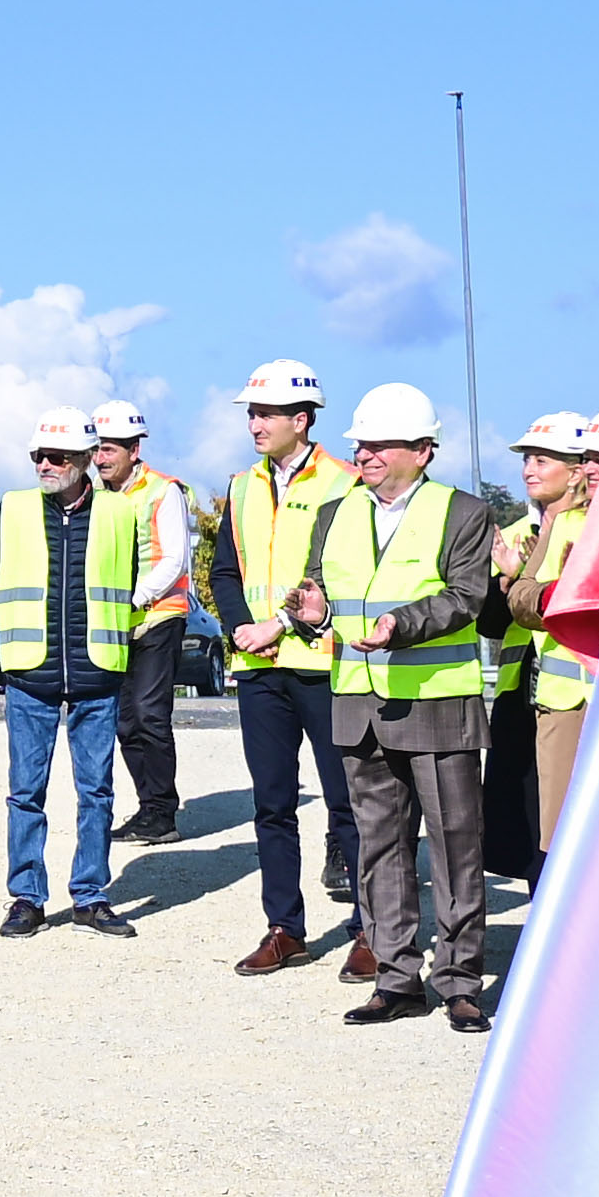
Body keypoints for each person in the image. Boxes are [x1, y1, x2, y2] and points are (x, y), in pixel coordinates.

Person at [310, 381, 516, 1026]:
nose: (365, 454)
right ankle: (396, 979)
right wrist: (309, 614)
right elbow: (323, 594)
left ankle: (458, 980)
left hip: (436, 702)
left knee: (456, 846)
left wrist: (402, 624)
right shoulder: (334, 514)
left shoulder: (464, 513)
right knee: (377, 849)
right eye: (361, 445)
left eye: (379, 444)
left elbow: (467, 596)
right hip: (358, 704)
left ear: (423, 451)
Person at [0, 413, 146, 939]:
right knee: (26, 791)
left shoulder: (120, 513)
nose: (44, 465)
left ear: (86, 459)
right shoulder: (14, 508)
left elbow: (130, 580)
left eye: (56, 457)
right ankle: (26, 897)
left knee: (97, 792)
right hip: (30, 672)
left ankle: (90, 896)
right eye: (38, 457)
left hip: (98, 672)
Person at [215, 361, 358, 973]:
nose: (254, 423)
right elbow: (225, 571)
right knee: (271, 804)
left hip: (324, 665)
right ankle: (284, 928)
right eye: (251, 413)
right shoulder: (242, 485)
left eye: (265, 413)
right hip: (259, 669)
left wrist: (277, 626)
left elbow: (333, 574)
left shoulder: (345, 483)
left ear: (301, 420)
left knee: (347, 801)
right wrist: (242, 629)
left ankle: (371, 928)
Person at [73, 400, 204, 837]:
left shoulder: (162, 491)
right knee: (124, 720)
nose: (100, 459)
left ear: (134, 449)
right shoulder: (97, 498)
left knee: (149, 714)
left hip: (159, 616)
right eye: (97, 450)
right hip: (116, 623)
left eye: (109, 450)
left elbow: (175, 560)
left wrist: (136, 597)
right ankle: (149, 807)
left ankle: (163, 811)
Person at [506, 412, 599, 854]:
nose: (590, 468)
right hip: (562, 704)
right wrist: (558, 595)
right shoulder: (565, 523)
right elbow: (521, 598)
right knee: (561, 837)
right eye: (587, 458)